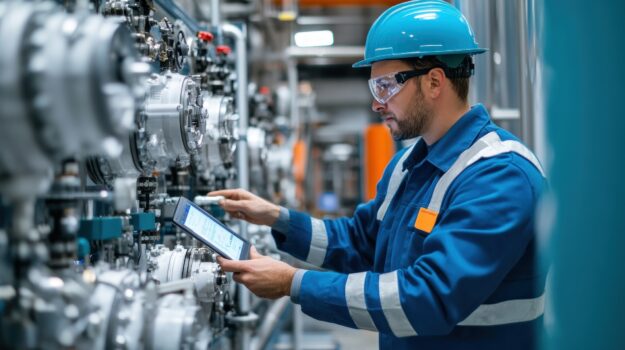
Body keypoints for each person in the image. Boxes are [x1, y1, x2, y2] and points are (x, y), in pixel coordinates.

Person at [212, 1, 547, 349]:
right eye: (375, 89)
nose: (376, 103)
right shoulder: (408, 165)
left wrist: (293, 282)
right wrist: (276, 218)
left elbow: (426, 297)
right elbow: (361, 241)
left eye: (385, 86)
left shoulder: (499, 176)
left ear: (434, 82)